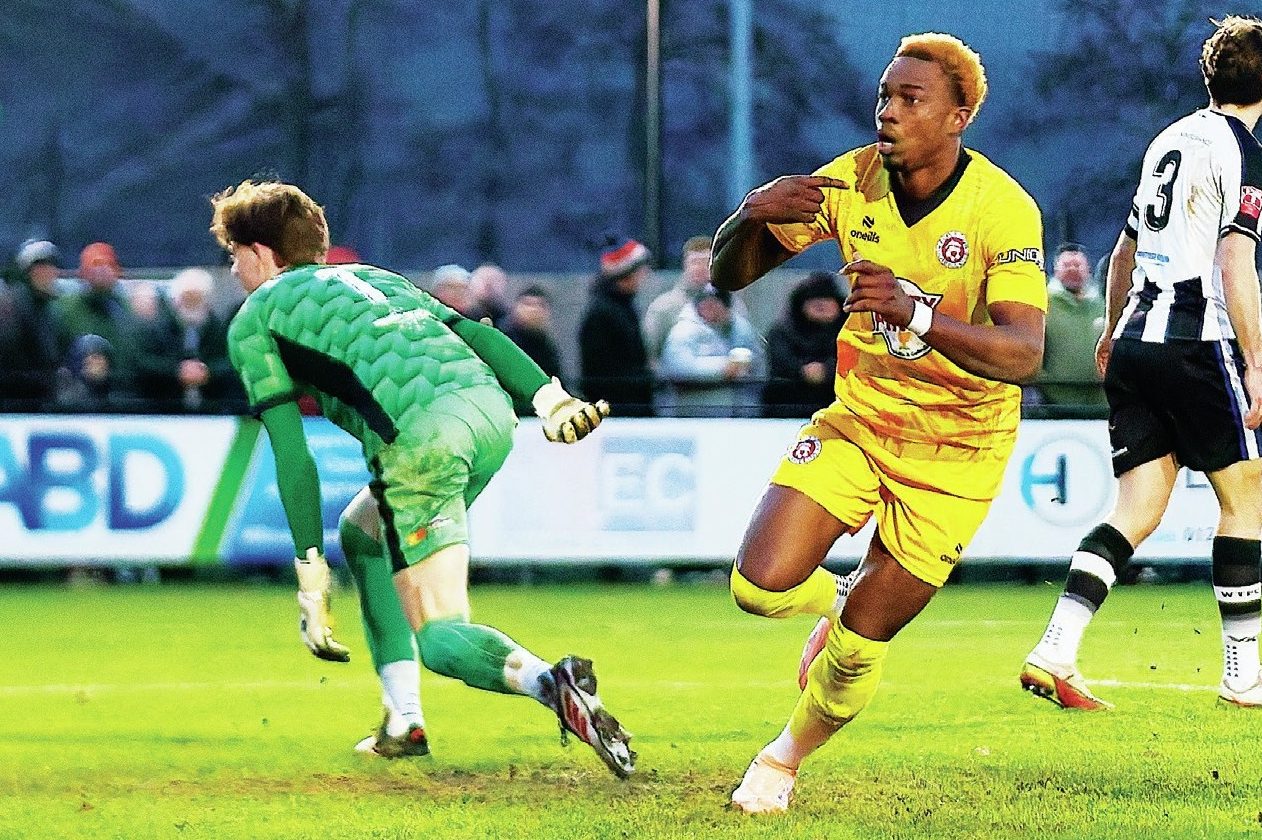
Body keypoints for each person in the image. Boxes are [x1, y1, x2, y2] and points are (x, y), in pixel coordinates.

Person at [710, 33, 1047, 814]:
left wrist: (920, 314)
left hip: (959, 454)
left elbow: (1024, 353)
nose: (887, 112)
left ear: (959, 115)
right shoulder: (852, 177)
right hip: (861, 421)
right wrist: (748, 213)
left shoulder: (1003, 209)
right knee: (757, 588)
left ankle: (783, 759)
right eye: (884, 96)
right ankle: (828, 605)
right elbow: (734, 273)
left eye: (910, 99)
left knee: (861, 649)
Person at [210, 179, 635, 777]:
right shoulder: (377, 278)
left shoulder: (255, 320)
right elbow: (477, 333)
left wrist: (309, 573)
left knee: (439, 637)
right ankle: (403, 721)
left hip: (422, 443)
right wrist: (550, 398)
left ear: (259, 252)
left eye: (233, 255)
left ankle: (550, 682)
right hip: (490, 415)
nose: (232, 271)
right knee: (365, 532)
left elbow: (292, 453)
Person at [1021, 15, 1262, 711]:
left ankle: (1055, 647)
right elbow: (1236, 260)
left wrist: (1108, 327)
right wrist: (1255, 361)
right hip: (1194, 339)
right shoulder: (1242, 151)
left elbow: (1124, 248)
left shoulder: (1169, 140)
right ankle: (1243, 673)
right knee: (1245, 496)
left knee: (1139, 507)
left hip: (1134, 341)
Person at [132, 268, 243, 413]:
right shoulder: (158, 330)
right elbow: (145, 362)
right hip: (165, 409)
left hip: (214, 410)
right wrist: (177, 371)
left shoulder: (220, 330)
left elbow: (230, 362)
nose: (192, 304)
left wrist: (207, 372)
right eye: (187, 298)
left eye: (197, 298)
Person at [658, 283, 763, 417]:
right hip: (697, 412)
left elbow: (758, 360)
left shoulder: (741, 328)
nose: (708, 308)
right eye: (705, 304)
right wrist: (723, 368)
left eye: (714, 304)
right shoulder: (684, 331)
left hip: (739, 413)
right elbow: (678, 367)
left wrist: (746, 366)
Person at [578, 238, 655, 416]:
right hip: (620, 411)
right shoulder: (602, 314)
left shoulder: (623, 308)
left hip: (630, 407)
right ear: (625, 275)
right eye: (640, 271)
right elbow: (598, 372)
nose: (644, 276)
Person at [761, 271, 849, 418]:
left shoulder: (853, 333)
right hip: (786, 411)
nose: (821, 305)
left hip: (840, 410)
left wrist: (827, 371)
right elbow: (780, 361)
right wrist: (803, 371)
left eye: (827, 300)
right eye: (814, 301)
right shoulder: (782, 331)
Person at [53, 242, 138, 393]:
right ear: (82, 273)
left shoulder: (130, 309)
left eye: (107, 265)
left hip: (122, 391)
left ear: (117, 271)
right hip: (75, 393)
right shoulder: (64, 308)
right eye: (95, 265)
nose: (101, 271)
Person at [1036, 242, 1108, 413]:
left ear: (1088, 268)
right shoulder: (1043, 303)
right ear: (1055, 269)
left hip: (1100, 409)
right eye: (1067, 265)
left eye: (1077, 265)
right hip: (1053, 408)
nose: (1073, 269)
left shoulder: (1103, 304)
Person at [0, 239, 64, 411]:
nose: (50, 273)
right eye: (41, 267)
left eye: (51, 267)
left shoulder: (46, 308)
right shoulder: (14, 308)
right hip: (18, 407)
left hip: (37, 404)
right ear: (27, 273)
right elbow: (13, 368)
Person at [642, 235, 714, 366]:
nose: (700, 267)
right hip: (675, 384)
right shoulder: (664, 307)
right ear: (685, 265)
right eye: (695, 262)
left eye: (706, 262)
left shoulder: (731, 305)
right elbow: (649, 353)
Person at [499, 284, 564, 416]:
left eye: (540, 305)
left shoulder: (547, 346)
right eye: (528, 304)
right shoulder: (503, 340)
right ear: (515, 308)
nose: (533, 310)